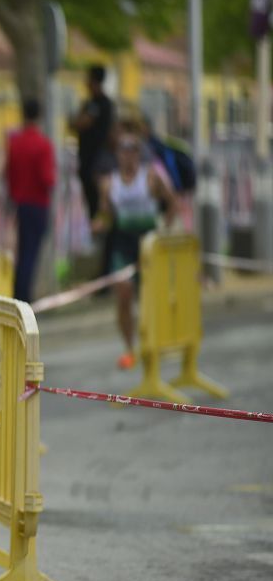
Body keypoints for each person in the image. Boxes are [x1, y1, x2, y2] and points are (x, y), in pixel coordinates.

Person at [93, 120, 176, 370]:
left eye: (133, 148)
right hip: (123, 243)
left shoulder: (151, 177)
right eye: (123, 148)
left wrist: (163, 230)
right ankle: (130, 349)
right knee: (124, 293)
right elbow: (105, 215)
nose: (128, 153)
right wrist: (99, 223)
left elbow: (173, 203)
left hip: (149, 243)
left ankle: (155, 344)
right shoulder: (110, 184)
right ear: (117, 152)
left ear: (139, 152)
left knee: (151, 297)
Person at [5, 97, 56, 302]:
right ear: (39, 116)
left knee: (23, 250)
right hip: (38, 204)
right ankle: (24, 298)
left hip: (21, 203)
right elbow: (47, 178)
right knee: (31, 254)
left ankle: (19, 293)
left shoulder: (15, 143)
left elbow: (8, 173)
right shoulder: (43, 144)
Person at [69, 65, 115, 278]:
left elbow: (79, 123)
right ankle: (101, 267)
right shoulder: (93, 104)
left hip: (97, 169)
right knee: (96, 216)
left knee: (101, 216)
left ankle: (104, 269)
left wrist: (75, 119)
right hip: (91, 168)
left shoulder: (100, 105)